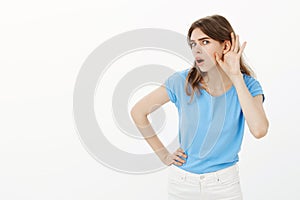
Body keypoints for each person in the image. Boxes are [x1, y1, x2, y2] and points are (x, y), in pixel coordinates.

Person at [130, 14, 269, 200]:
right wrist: (163, 155)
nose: (197, 50)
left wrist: (236, 76)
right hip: (182, 183)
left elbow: (259, 130)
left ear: (226, 46)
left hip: (225, 185)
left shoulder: (248, 85)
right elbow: (138, 112)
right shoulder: (180, 82)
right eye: (193, 44)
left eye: (205, 42)